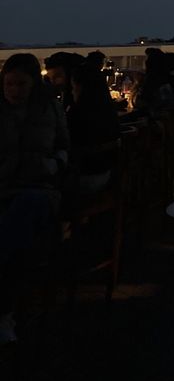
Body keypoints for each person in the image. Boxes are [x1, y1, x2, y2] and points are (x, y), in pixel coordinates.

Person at [0, 53, 70, 345]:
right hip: (6, 188)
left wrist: (52, 165)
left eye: (21, 84)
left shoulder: (50, 110)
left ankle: (4, 310)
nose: (15, 90)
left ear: (33, 84)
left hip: (40, 189)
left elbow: (65, 149)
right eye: (10, 84)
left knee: (17, 221)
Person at [67, 63, 121, 192]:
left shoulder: (78, 114)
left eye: (74, 87)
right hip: (109, 174)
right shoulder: (108, 109)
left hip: (84, 178)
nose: (72, 91)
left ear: (81, 87)